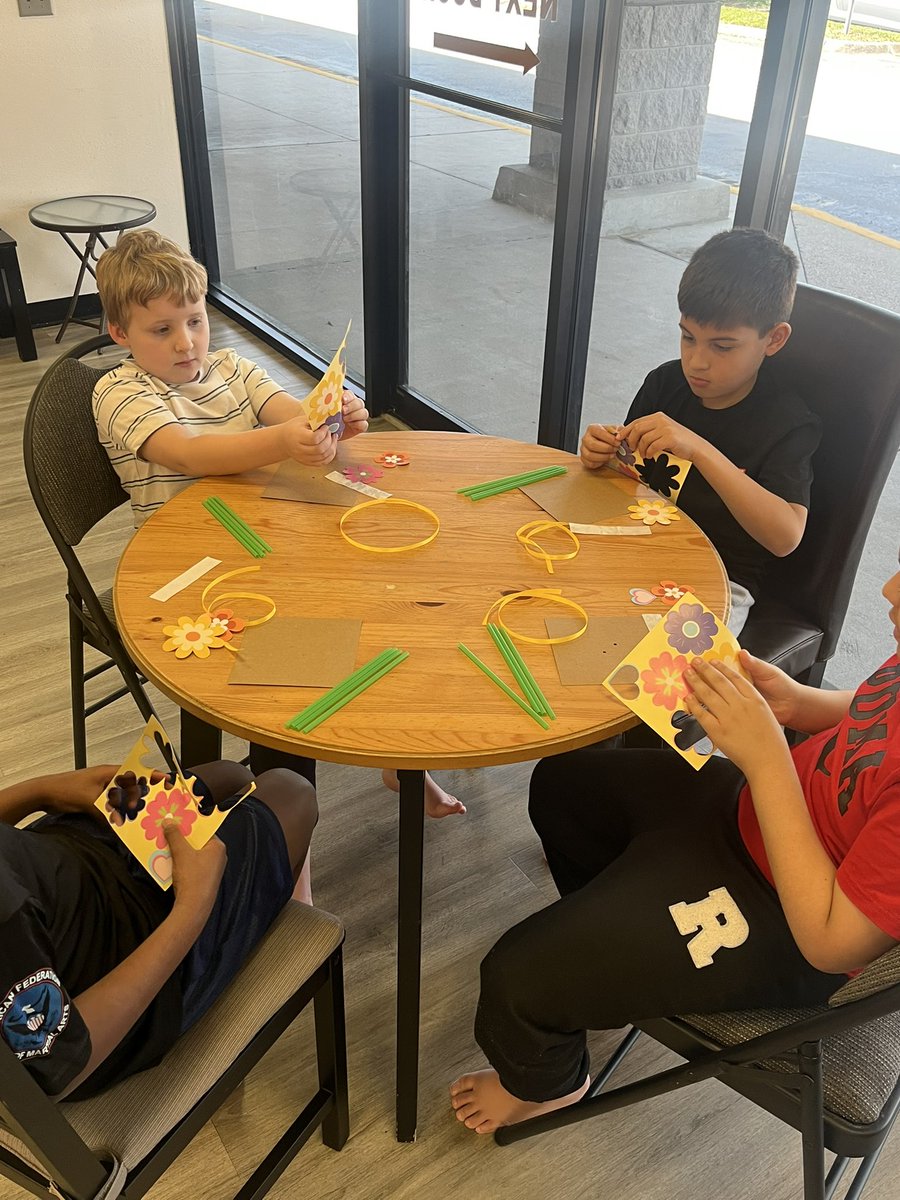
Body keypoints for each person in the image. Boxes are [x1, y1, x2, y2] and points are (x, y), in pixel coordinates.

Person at [450, 559, 900, 1134]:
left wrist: (765, 760)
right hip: (756, 811)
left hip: (787, 914)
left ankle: (549, 1086)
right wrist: (795, 704)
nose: (886, 589)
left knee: (514, 981)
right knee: (562, 785)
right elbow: (872, 710)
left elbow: (831, 944)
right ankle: (611, 955)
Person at [91, 229, 462, 817]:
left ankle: (399, 756)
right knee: (281, 666)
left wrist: (332, 419)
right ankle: (286, 839)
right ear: (119, 333)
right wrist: (286, 442)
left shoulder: (232, 367)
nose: (186, 343)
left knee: (391, 596)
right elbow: (188, 454)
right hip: (190, 563)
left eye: (195, 320)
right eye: (161, 330)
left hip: (268, 537)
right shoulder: (119, 390)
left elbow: (290, 414)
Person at [0, 759, 316, 1099]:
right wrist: (193, 908)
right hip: (131, 945)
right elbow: (61, 1067)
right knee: (293, 791)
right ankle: (250, 930)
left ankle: (261, 888)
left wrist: (39, 792)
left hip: (64, 863)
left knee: (233, 775)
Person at [579, 228, 821, 636]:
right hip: (642, 548)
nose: (697, 362)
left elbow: (786, 536)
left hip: (722, 583)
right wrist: (599, 454)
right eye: (688, 337)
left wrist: (701, 451)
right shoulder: (664, 384)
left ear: (773, 339)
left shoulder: (788, 423)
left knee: (635, 671)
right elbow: (626, 478)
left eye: (722, 347)